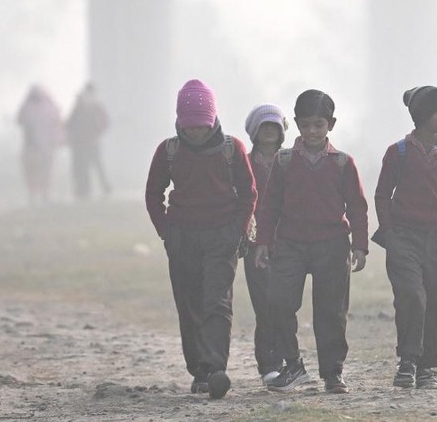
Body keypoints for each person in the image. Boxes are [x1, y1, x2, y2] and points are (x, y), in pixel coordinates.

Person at [145, 79, 257, 399]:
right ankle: (198, 368)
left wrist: (239, 230)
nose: (195, 132)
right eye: (190, 126)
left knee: (217, 302)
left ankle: (214, 367)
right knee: (189, 304)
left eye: (201, 126)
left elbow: (248, 194)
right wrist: (166, 231)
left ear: (212, 120)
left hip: (223, 236)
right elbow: (153, 194)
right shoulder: (168, 151)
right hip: (182, 237)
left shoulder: (232, 149)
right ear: (180, 121)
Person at [254, 89, 368, 394]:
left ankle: (333, 373)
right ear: (296, 124)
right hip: (290, 243)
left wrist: (359, 245)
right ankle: (293, 365)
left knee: (331, 311)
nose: (312, 131)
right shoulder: (284, 160)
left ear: (331, 124)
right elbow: (270, 205)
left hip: (332, 244)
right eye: (305, 125)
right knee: (278, 302)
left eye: (319, 124)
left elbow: (357, 207)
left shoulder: (343, 163)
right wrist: (263, 241)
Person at [373, 86, 437, 390]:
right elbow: (382, 195)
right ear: (423, 115)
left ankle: (428, 366)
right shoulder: (398, 153)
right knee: (411, 297)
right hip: (404, 238)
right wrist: (389, 233)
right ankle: (407, 361)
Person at [243, 103, 288, 385]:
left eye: (274, 125)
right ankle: (269, 363)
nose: (270, 131)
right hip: (255, 242)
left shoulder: (291, 161)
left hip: (290, 241)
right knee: (264, 303)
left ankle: (286, 359)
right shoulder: (244, 163)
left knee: (284, 303)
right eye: (264, 126)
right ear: (254, 131)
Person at [16, 84, 63, 205]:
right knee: (39, 171)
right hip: (39, 146)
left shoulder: (28, 106)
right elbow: (57, 123)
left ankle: (39, 195)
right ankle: (40, 195)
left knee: (37, 171)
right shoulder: (49, 106)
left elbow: (19, 120)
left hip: (37, 146)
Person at [66, 83, 111, 200]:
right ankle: (89, 189)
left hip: (86, 141)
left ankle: (87, 190)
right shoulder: (91, 106)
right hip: (85, 141)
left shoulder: (85, 106)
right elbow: (70, 123)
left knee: (89, 166)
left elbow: (69, 123)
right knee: (90, 166)